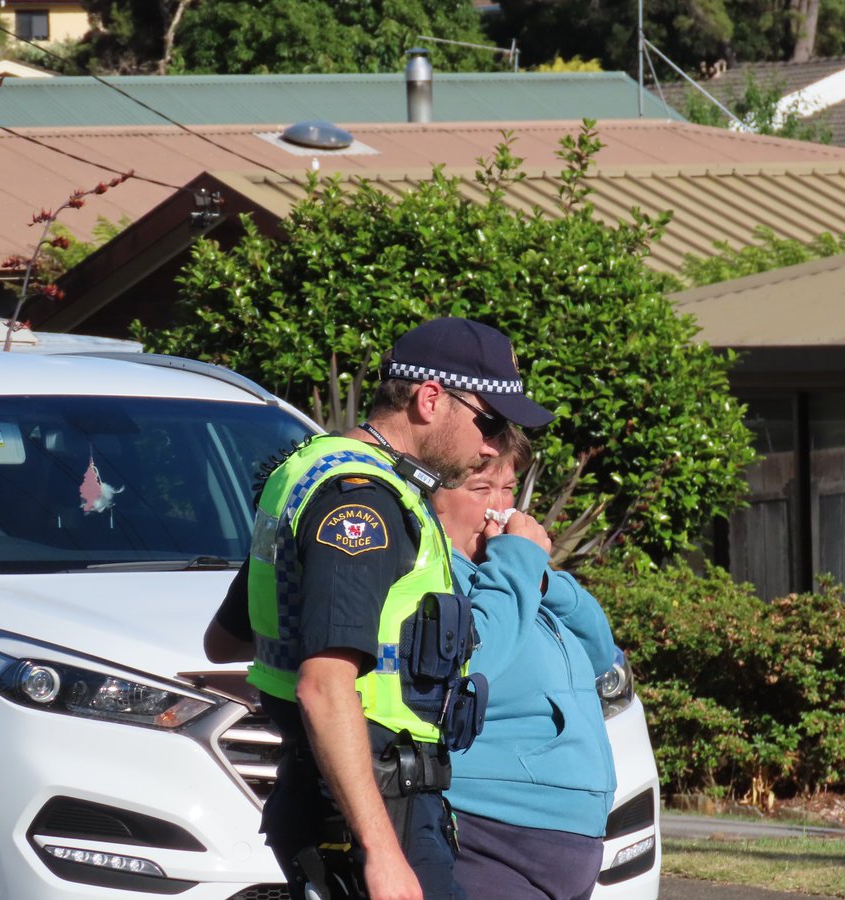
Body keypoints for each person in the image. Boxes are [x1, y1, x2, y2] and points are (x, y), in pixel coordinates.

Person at [207, 317, 554, 900]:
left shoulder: (312, 471)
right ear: (430, 398)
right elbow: (323, 685)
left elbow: (230, 639)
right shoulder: (363, 505)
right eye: (489, 421)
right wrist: (383, 854)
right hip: (374, 807)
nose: (493, 445)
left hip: (334, 796)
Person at [431, 428, 617, 900]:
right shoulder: (438, 575)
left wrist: (541, 577)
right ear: (433, 501)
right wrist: (517, 563)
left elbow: (598, 648)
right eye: (480, 489)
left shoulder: (512, 571)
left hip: (570, 837)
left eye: (509, 489)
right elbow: (474, 657)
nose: (501, 510)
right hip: (490, 831)